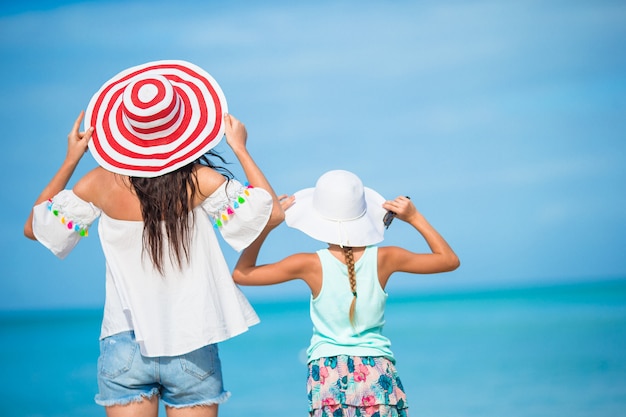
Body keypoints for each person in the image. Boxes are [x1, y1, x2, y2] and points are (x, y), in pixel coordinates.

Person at [23, 60, 283, 417]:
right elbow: (272, 214)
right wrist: (239, 146)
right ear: (183, 128)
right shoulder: (200, 181)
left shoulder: (98, 183)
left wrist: (71, 159)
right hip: (191, 339)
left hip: (123, 343)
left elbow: (34, 227)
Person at [233, 169, 460, 417]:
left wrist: (268, 225)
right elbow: (448, 260)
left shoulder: (308, 264)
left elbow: (242, 274)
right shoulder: (387, 258)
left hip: (328, 374)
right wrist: (415, 217)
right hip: (376, 369)